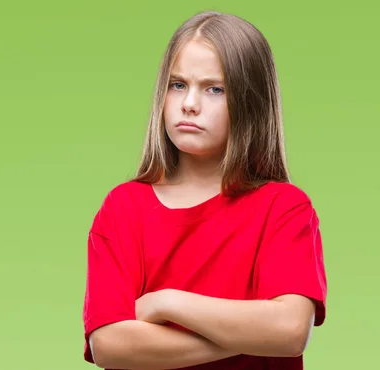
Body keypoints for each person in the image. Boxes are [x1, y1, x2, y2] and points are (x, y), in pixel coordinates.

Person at [81, 10, 328, 370]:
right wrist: (250, 339)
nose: (189, 104)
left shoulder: (284, 208)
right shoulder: (123, 208)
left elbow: (289, 331)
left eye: (215, 89)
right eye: (178, 84)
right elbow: (110, 345)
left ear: (250, 101)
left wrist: (167, 302)